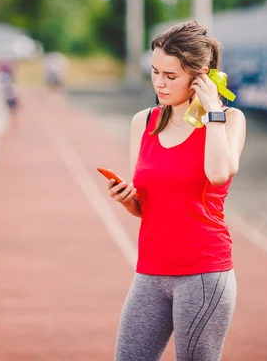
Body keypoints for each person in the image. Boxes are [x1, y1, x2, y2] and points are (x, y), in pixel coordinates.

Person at [106, 21, 247, 361]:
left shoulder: (230, 120)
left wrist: (212, 108)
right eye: (155, 72)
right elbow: (147, 206)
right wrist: (128, 201)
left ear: (201, 75)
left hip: (202, 273)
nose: (159, 83)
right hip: (150, 272)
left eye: (171, 76)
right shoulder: (143, 121)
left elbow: (217, 173)